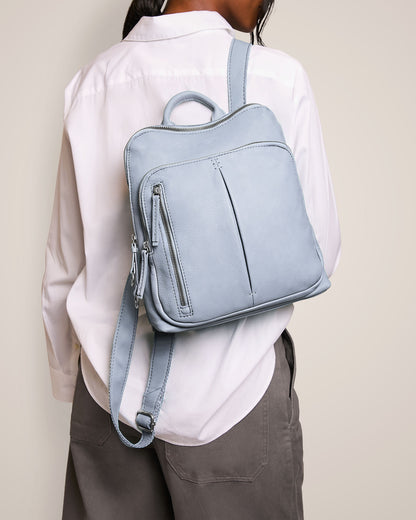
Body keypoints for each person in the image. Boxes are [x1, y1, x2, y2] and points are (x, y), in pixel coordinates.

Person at [40, 1, 341, 518]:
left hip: (107, 398)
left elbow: (65, 267)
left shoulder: (91, 83)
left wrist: (70, 382)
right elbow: (321, 249)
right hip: (235, 394)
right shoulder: (278, 77)